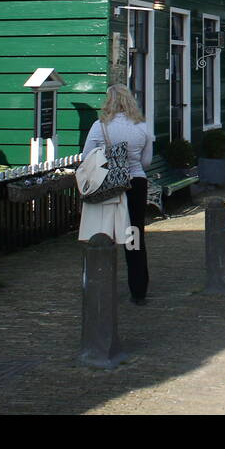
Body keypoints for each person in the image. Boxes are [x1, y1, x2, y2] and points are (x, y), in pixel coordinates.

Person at [82, 84, 154, 305]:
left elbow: (86, 157)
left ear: (109, 101)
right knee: (134, 235)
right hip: (135, 184)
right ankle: (138, 289)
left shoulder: (99, 126)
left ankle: (98, 285)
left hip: (107, 185)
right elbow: (146, 161)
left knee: (103, 233)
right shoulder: (142, 126)